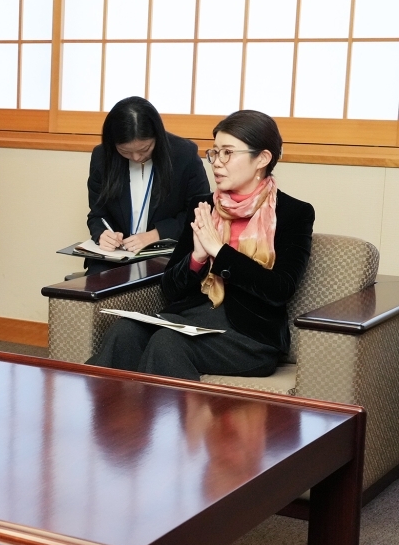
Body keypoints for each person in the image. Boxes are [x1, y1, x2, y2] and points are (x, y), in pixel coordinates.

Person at [86, 109, 315, 381]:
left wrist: (219, 252)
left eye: (228, 153)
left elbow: (280, 289)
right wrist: (196, 256)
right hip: (192, 319)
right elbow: (170, 288)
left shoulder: (293, 213)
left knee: (167, 343)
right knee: (125, 332)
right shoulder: (203, 206)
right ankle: (96, 418)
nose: (217, 163)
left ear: (262, 159)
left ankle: (171, 425)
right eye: (215, 152)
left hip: (250, 336)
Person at [87, 97, 210, 255]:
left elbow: (200, 212)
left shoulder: (184, 155)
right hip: (117, 254)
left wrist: (157, 234)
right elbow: (98, 214)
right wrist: (102, 234)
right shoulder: (102, 156)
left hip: (165, 252)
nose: (136, 157)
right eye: (125, 152)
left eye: (144, 149)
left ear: (157, 136)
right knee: (99, 279)